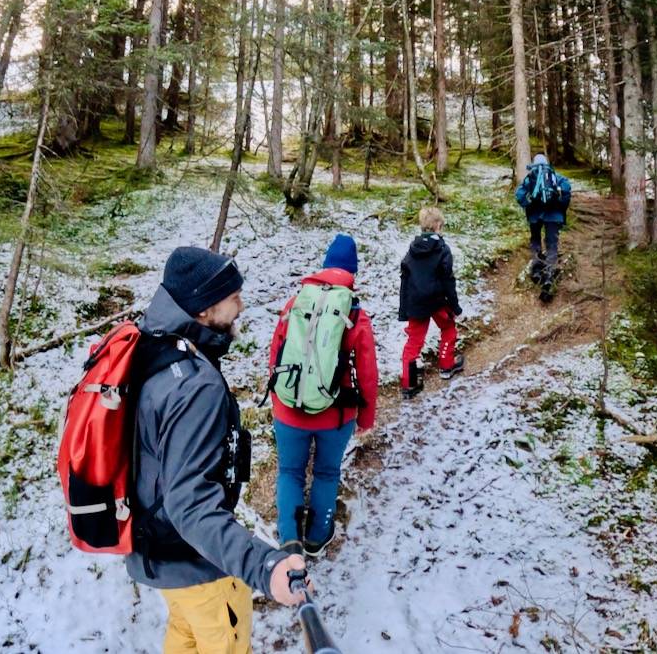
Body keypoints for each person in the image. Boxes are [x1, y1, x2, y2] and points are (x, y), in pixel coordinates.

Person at [127, 246, 307, 654]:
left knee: (187, 633)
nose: (242, 305)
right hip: (192, 560)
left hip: (154, 545)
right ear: (204, 309)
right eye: (233, 296)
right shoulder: (193, 385)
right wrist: (265, 566)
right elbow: (190, 505)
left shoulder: (153, 343)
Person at [267, 233, 379, 557]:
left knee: (290, 471)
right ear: (352, 275)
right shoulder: (356, 314)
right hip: (336, 415)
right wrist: (365, 417)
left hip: (289, 411)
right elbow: (368, 374)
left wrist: (280, 399)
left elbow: (276, 354)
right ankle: (318, 536)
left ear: (324, 267)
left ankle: (289, 539)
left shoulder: (297, 302)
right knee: (327, 472)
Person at [398, 207, 464, 399]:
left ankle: (408, 384)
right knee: (449, 328)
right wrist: (455, 306)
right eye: (441, 225)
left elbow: (405, 282)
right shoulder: (442, 249)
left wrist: (405, 310)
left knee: (413, 342)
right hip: (437, 301)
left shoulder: (411, 251)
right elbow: (448, 280)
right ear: (436, 226)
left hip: (416, 303)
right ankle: (446, 364)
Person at [514, 153, 572, 302]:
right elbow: (567, 191)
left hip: (535, 216)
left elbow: (519, 195)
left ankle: (536, 269)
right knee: (552, 244)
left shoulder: (530, 177)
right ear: (547, 163)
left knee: (535, 240)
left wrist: (529, 202)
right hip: (553, 217)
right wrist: (558, 203)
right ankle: (549, 274)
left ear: (534, 163)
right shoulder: (555, 176)